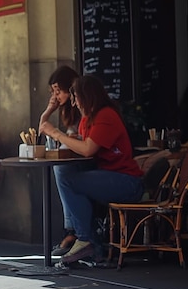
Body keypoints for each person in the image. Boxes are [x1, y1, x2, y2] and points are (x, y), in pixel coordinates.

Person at [39, 75, 144, 264]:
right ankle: (88, 241)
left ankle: (85, 239)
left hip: (127, 181)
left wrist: (56, 133)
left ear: (87, 96)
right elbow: (83, 146)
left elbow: (88, 149)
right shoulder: (87, 120)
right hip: (110, 176)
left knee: (70, 181)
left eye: (76, 97)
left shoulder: (106, 115)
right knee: (64, 173)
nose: (74, 103)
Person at [38, 65, 82, 256]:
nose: (56, 96)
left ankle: (71, 230)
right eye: (53, 92)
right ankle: (70, 230)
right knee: (59, 169)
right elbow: (41, 128)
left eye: (58, 90)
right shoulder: (67, 111)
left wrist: (56, 134)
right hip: (75, 159)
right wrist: (48, 111)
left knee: (61, 170)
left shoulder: (81, 108)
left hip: (85, 161)